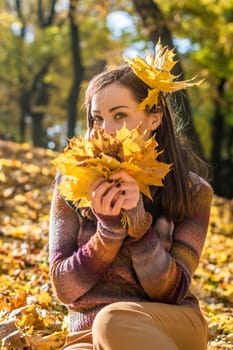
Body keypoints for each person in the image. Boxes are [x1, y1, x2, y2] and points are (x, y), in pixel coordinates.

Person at [49, 41, 213, 350]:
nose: (105, 129)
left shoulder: (193, 192)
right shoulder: (71, 184)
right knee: (102, 328)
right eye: (97, 118)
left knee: (114, 321)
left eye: (120, 115)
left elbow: (172, 292)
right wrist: (108, 232)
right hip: (87, 336)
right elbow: (64, 289)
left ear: (154, 119)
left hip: (169, 324)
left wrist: (139, 229)